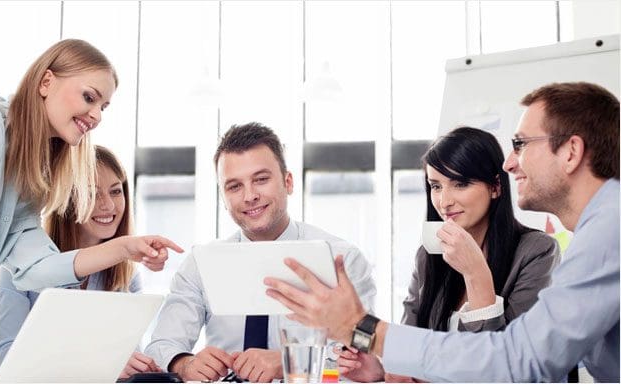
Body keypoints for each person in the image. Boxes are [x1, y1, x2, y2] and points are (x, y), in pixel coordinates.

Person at [265, 81, 619, 382]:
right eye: (435, 186)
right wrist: (381, 369)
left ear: (571, 151)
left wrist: (364, 327)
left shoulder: (603, 232)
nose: (511, 163)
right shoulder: (599, 230)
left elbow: (519, 362)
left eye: (522, 144)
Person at [0, 39, 183, 378]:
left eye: (104, 106)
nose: (96, 115)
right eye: (90, 97)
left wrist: (123, 248)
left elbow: (36, 268)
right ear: (46, 82)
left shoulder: (32, 169)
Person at [143, 123, 377, 383]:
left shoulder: (342, 260)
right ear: (223, 197)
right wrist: (184, 363)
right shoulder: (201, 264)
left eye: (261, 179)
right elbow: (161, 346)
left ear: (288, 182)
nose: (250, 196)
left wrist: (290, 361)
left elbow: (365, 355)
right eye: (234, 186)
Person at [337, 127, 559, 382]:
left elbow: (501, 370)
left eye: (460, 184)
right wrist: (380, 371)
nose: (444, 201)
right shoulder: (428, 256)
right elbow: (410, 351)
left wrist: (476, 273)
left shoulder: (537, 252)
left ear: (496, 186)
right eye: (436, 186)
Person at [0, 145, 160, 378]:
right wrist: (101, 362)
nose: (109, 206)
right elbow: (4, 357)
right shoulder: (20, 267)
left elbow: (130, 354)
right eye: (91, 193)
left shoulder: (127, 274)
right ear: (66, 200)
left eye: (115, 191)